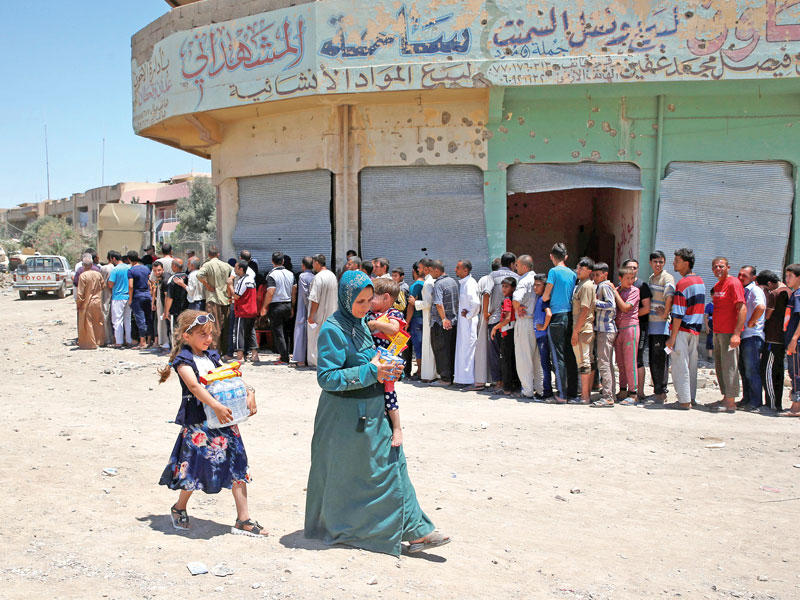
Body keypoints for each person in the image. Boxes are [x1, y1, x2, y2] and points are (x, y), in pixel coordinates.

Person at [304, 270, 449, 556]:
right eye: (360, 301)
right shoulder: (333, 329)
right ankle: (365, 528)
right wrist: (373, 370)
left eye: (369, 300)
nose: (366, 307)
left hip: (372, 409)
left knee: (393, 464)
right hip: (345, 418)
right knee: (355, 475)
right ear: (346, 299)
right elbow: (327, 378)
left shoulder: (361, 323)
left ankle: (417, 530)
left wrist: (389, 367)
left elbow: (372, 358)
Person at [156, 310, 265, 536]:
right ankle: (179, 507)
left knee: (238, 464)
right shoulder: (183, 361)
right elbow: (194, 386)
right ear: (186, 336)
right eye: (202, 334)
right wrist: (215, 405)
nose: (209, 339)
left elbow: (231, 377)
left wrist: (250, 392)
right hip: (199, 425)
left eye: (210, 334)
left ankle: (243, 519)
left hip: (224, 420)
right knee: (192, 468)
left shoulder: (212, 357)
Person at [365, 278, 406, 447]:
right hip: (373, 360)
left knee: (389, 393)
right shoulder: (369, 313)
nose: (369, 301)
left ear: (386, 297)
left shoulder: (392, 314)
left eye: (372, 297)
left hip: (387, 361)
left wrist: (375, 324)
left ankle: (397, 428)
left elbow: (395, 329)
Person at [664, 248, 705, 410]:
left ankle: (684, 401)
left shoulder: (682, 284)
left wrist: (672, 337)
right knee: (691, 366)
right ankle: (690, 398)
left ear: (686, 263)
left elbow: (678, 314)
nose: (674, 263)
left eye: (677, 261)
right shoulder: (700, 281)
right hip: (695, 331)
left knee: (680, 366)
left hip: (682, 330)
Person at [710, 257, 747, 413]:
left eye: (721, 266)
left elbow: (742, 308)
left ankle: (731, 402)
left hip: (729, 333)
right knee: (720, 366)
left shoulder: (733, 283)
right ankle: (726, 397)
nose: (718, 269)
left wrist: (736, 334)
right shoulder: (717, 286)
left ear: (728, 267)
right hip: (718, 332)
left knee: (730, 366)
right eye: (715, 267)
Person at [542, 243, 577, 403]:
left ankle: (561, 394)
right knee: (569, 355)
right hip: (569, 316)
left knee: (557, 357)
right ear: (566, 257)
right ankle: (572, 392)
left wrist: (545, 299)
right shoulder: (572, 273)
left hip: (556, 316)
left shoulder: (553, 271)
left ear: (551, 256)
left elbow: (546, 295)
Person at [485, 253, 519, 392]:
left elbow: (486, 293)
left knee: (495, 353)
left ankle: (499, 382)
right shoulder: (516, 277)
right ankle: (511, 383)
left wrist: (485, 313)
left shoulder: (492, 276)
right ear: (512, 264)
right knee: (510, 355)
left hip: (496, 320)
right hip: (513, 324)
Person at [757, 269, 790, 412]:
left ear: (769, 284)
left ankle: (771, 404)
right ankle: (777, 404)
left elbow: (767, 316)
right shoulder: (788, 291)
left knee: (768, 371)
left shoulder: (774, 294)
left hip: (772, 338)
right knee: (778, 372)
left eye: (764, 287)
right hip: (782, 339)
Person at [737, 265, 766, 411]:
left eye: (745, 275)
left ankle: (755, 401)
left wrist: (751, 321)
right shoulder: (744, 290)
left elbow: (760, 307)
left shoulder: (755, 290)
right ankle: (746, 399)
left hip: (752, 336)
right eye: (740, 275)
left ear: (753, 278)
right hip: (745, 336)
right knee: (744, 370)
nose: (741, 278)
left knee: (751, 370)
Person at [648, 251, 675, 403]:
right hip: (652, 325)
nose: (658, 264)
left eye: (661, 262)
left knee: (660, 360)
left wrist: (665, 313)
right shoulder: (652, 278)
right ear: (650, 263)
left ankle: (661, 392)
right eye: (655, 262)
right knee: (653, 359)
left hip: (662, 326)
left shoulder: (667, 277)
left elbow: (669, 296)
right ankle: (657, 391)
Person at [622, 259, 652, 401]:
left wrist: (630, 315)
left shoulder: (642, 286)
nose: (632, 270)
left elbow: (647, 308)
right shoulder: (621, 286)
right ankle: (625, 390)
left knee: (638, 359)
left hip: (640, 327)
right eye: (629, 267)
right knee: (624, 359)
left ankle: (639, 392)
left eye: (635, 268)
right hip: (624, 328)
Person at [259, 251, 296, 365]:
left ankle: (284, 358)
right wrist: (292, 306)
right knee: (286, 331)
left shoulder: (272, 275)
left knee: (278, 332)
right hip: (287, 304)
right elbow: (294, 290)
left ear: (272, 261)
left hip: (276, 306)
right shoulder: (291, 274)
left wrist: (264, 307)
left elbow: (270, 291)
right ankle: (285, 354)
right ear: (283, 261)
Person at [511, 255, 540, 399]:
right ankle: (540, 389)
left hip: (525, 321)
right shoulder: (537, 279)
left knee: (524, 357)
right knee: (537, 359)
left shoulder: (523, 281)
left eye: (517, 265)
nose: (515, 267)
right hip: (537, 322)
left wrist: (517, 307)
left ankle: (527, 390)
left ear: (524, 266)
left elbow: (516, 298)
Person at [196, 246, 233, 355]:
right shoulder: (226, 265)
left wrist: (206, 284)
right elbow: (234, 274)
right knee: (225, 326)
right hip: (225, 299)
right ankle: (225, 351)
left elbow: (199, 275)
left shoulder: (207, 265)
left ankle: (214, 352)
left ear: (208, 255)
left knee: (213, 327)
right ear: (218, 254)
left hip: (213, 299)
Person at [613, 266, 641, 405]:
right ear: (620, 278)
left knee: (630, 361)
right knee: (620, 362)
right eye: (627, 278)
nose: (631, 281)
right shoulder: (618, 290)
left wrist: (615, 292)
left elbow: (625, 307)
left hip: (630, 328)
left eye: (632, 278)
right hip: (619, 329)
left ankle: (633, 393)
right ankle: (623, 389)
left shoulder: (635, 291)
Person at [430, 260, 459, 386]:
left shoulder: (439, 284)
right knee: (450, 350)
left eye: (431, 271)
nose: (430, 274)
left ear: (437, 270)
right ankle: (450, 376)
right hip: (453, 322)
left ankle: (445, 379)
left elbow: (438, 303)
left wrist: (443, 319)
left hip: (441, 323)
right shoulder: (453, 281)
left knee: (440, 350)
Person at [591, 263, 616, 408]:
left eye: (597, 275)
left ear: (605, 274)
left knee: (604, 363)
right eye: (593, 275)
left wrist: (594, 302)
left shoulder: (604, 286)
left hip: (605, 329)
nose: (595, 277)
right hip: (605, 329)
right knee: (606, 362)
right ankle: (610, 393)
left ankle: (607, 396)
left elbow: (610, 305)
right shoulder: (602, 286)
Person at [571, 257, 596, 404]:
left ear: (589, 271)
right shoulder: (582, 284)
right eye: (578, 267)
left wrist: (575, 331)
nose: (578, 270)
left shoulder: (586, 286)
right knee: (587, 360)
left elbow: (585, 310)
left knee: (583, 362)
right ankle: (586, 394)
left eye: (582, 268)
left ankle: (585, 396)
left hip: (582, 328)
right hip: (584, 328)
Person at [307, 254, 339, 367]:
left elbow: (315, 299)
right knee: (328, 339)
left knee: (315, 339)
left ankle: (315, 362)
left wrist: (311, 316)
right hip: (332, 315)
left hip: (319, 315)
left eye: (313, 263)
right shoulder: (332, 276)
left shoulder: (318, 277)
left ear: (316, 263)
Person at [472, 259, 499, 391]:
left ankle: (481, 379)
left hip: (483, 318)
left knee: (482, 350)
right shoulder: (496, 280)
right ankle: (494, 380)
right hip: (492, 317)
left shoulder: (483, 279)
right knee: (494, 351)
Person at [490, 277, 520, 394]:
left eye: (506, 286)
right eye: (503, 286)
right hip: (512, 332)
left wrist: (495, 327)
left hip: (507, 332)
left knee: (505, 361)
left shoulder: (507, 300)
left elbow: (507, 318)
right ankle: (514, 386)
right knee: (512, 360)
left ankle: (507, 388)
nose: (503, 289)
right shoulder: (513, 299)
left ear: (513, 288)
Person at [454, 260, 480, 386]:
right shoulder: (464, 283)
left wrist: (469, 315)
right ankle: (462, 379)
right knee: (463, 350)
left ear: (465, 270)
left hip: (469, 324)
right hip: (464, 324)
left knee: (468, 350)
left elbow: (476, 303)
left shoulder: (470, 283)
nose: (455, 270)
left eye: (458, 268)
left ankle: (469, 380)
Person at [780, 264, 800, 417]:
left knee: (796, 373)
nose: (787, 279)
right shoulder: (795, 294)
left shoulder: (798, 295)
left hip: (796, 342)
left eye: (790, 276)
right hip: (793, 341)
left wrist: (794, 339)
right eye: (786, 276)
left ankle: (796, 407)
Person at [76, 254, 106, 350]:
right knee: (98, 321)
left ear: (83, 265)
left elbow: (80, 293)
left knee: (88, 323)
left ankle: (90, 344)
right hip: (98, 301)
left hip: (87, 302)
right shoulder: (98, 274)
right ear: (92, 264)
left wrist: (78, 304)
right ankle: (100, 341)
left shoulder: (83, 276)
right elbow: (103, 286)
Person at [231, 259, 259, 362]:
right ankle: (255, 355)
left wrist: (230, 285)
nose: (234, 270)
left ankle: (240, 356)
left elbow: (237, 296)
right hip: (252, 310)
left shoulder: (242, 280)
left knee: (240, 333)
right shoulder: (251, 280)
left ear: (241, 269)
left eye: (236, 268)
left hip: (243, 311)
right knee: (251, 332)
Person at [416, 258, 438, 382]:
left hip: (428, 317)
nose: (418, 270)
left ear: (425, 268)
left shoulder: (428, 283)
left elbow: (428, 303)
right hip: (429, 317)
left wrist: (415, 303)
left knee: (428, 345)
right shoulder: (431, 281)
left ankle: (429, 375)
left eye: (420, 267)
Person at [533, 274, 554, 400]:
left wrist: (543, 326)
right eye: (534, 285)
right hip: (540, 336)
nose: (535, 287)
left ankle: (547, 391)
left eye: (538, 285)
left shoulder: (544, 299)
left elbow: (548, 314)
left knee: (545, 364)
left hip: (543, 336)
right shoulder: (539, 298)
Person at [127, 251, 153, 349]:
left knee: (140, 319)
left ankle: (142, 342)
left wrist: (130, 299)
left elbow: (130, 286)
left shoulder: (131, 271)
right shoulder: (146, 268)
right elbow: (150, 282)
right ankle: (149, 340)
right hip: (147, 295)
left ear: (129, 259)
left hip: (137, 296)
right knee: (148, 318)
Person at [292, 256, 315, 366]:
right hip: (313, 307)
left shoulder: (302, 276)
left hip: (303, 308)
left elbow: (305, 293)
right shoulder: (315, 277)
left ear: (303, 265)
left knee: (301, 332)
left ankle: (300, 360)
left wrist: (308, 308)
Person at [107, 252, 132, 348]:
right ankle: (129, 340)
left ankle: (119, 341)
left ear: (113, 258)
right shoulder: (129, 268)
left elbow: (110, 284)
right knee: (127, 320)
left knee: (117, 320)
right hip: (128, 296)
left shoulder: (115, 270)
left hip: (118, 297)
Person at [405, 262, 425, 378]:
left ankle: (420, 371)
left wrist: (407, 322)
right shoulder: (427, 284)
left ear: (414, 271)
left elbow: (411, 306)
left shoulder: (415, 286)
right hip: (426, 319)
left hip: (416, 320)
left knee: (418, 346)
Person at [163, 258, 188, 349]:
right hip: (186, 309)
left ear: (174, 266)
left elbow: (169, 297)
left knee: (175, 330)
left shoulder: (172, 279)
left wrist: (166, 312)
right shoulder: (187, 276)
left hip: (175, 310)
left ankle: (175, 350)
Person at [101, 252, 115, 346]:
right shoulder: (115, 268)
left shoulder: (104, 268)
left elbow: (102, 282)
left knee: (106, 315)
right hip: (116, 294)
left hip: (106, 294)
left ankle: (108, 339)